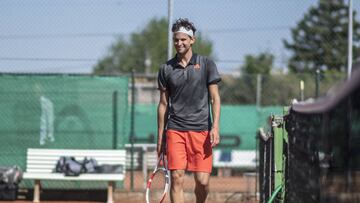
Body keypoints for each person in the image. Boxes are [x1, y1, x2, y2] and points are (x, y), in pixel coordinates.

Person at [157, 18, 221, 203]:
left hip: (201, 131)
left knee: (202, 181)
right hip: (175, 130)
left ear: (192, 40)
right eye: (176, 40)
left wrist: (215, 127)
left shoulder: (207, 64)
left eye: (183, 39)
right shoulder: (165, 69)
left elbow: (215, 98)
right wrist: (161, 136)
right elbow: (163, 105)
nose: (179, 43)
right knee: (177, 177)